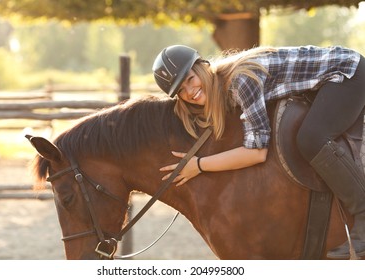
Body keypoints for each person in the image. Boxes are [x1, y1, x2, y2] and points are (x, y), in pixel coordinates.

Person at [152, 44, 365, 259]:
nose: (189, 92)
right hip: (328, 77)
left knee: (311, 138)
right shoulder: (222, 85)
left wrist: (199, 165)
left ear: (202, 67)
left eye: (190, 79)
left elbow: (257, 152)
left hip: (347, 73)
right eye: (181, 90)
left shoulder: (241, 81)